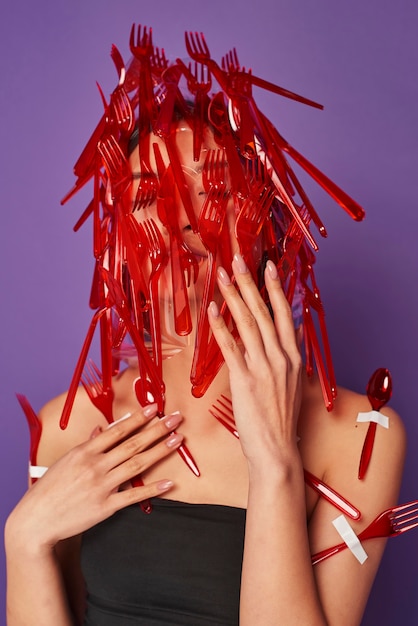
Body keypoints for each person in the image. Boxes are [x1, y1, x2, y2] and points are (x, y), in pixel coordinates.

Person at [5, 26, 406, 626]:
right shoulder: (70, 427)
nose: (179, 223)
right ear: (115, 240)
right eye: (148, 200)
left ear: (264, 222)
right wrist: (24, 542)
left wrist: (274, 465)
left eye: (212, 191)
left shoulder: (360, 437)